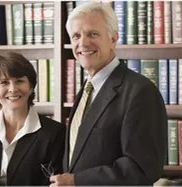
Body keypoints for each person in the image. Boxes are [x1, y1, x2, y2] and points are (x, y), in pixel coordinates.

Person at [50, 2, 167, 186]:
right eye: (76, 36)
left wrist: (77, 181)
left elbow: (143, 168)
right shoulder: (87, 89)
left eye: (93, 34)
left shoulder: (140, 92)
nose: (83, 43)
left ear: (113, 38)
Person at [0, 53, 65, 185]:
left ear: (31, 87)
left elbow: (55, 183)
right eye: (4, 82)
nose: (13, 89)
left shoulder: (54, 132)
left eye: (19, 81)